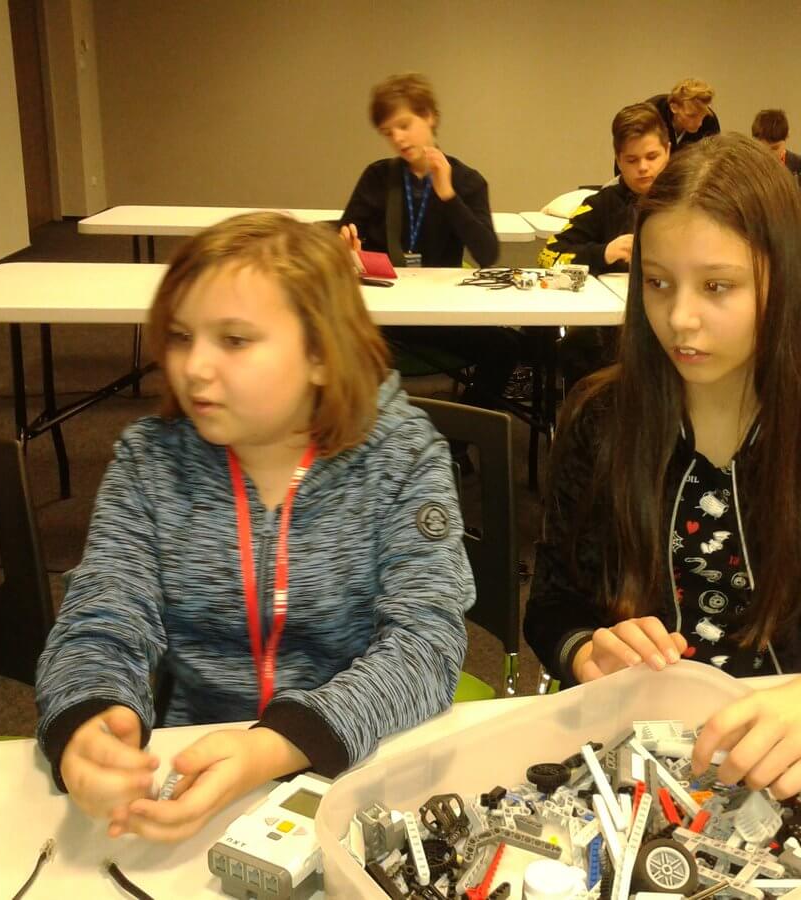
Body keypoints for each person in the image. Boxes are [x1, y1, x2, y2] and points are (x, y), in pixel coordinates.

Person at [525, 135, 801, 797]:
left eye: (717, 286)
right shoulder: (600, 420)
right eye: (657, 283)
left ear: (782, 280)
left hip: (795, 763)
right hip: (636, 756)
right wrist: (586, 649)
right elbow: (552, 604)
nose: (680, 318)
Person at [35, 213, 474, 843]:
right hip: (189, 764)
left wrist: (277, 744)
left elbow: (427, 642)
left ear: (321, 354)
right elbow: (102, 615)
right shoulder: (150, 462)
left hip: (357, 764)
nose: (195, 367)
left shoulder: (402, 458)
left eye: (234, 340)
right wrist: (89, 717)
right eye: (181, 336)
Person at [338, 73, 519, 411]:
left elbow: (487, 254)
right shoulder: (378, 177)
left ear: (430, 116)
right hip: (382, 313)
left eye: (404, 125)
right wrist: (345, 246)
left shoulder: (466, 181)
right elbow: (345, 232)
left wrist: (448, 195)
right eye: (388, 132)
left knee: (507, 347)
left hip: (437, 313)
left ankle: (463, 432)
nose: (397, 138)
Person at [538, 103, 671, 391]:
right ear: (618, 161)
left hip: (672, 317)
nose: (643, 167)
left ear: (668, 152)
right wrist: (603, 253)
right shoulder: (601, 204)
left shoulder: (689, 201)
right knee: (577, 347)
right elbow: (548, 256)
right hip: (613, 327)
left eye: (652, 157)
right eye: (632, 160)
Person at [647, 78, 720, 155]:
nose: (699, 123)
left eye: (703, 116)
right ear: (674, 108)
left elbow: (714, 155)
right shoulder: (651, 113)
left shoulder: (709, 120)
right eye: (691, 116)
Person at [751, 109, 801, 175]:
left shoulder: (800, 164)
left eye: (775, 148)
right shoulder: (748, 164)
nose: (769, 154)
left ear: (787, 136)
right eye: (763, 148)